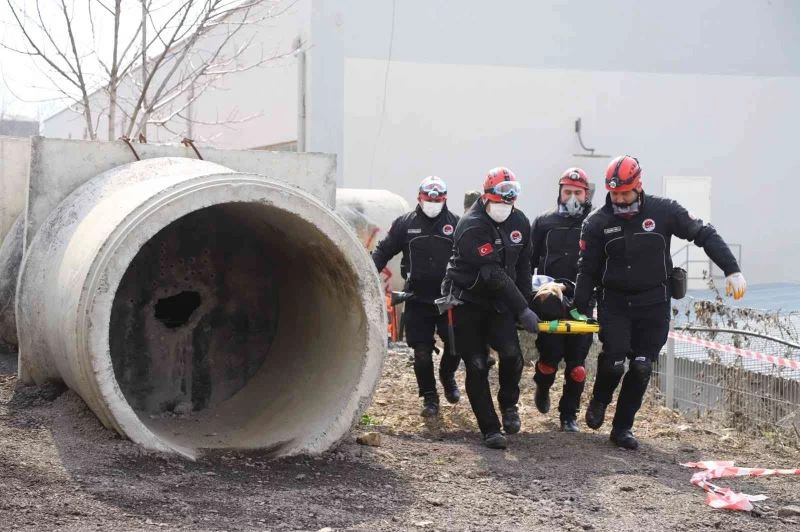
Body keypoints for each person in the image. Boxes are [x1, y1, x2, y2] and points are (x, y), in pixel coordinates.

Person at [573, 155, 746, 449]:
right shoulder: (597, 223)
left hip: (654, 303)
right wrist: (579, 307)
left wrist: (731, 269)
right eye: (614, 194)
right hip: (614, 303)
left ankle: (623, 428)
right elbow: (587, 269)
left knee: (641, 366)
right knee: (614, 362)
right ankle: (600, 399)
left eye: (625, 193)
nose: (620, 200)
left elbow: (703, 234)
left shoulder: (664, 211)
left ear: (638, 186)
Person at [441, 167, 540, 449]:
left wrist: (525, 300)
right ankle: (489, 428)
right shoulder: (472, 225)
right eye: (498, 200)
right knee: (477, 365)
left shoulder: (520, 221)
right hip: (466, 301)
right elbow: (493, 273)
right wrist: (522, 310)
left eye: (509, 200)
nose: (504, 206)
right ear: (486, 197)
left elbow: (523, 265)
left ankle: (509, 404)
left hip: (499, 302)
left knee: (512, 356)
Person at [372, 176, 462, 417]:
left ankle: (448, 376)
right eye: (428, 197)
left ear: (445, 199)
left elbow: (469, 258)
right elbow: (383, 251)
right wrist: (368, 271)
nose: (432, 202)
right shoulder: (404, 223)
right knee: (421, 352)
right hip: (417, 298)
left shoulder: (457, 224)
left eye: (438, 198)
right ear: (419, 198)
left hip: (448, 298)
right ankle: (430, 397)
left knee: (456, 346)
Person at [529, 168, 594, 433]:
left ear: (586, 194)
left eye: (577, 192)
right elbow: (528, 264)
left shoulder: (596, 222)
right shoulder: (543, 222)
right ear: (559, 192)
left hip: (582, 301)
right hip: (550, 301)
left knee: (577, 366)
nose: (572, 197)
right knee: (550, 359)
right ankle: (542, 389)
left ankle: (569, 415)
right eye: (567, 192)